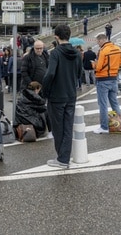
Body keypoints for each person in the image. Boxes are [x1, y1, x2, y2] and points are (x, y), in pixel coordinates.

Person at [42, 24, 82, 168]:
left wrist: (44, 91)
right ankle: (65, 157)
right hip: (71, 95)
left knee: (58, 128)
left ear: (56, 37)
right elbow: (79, 74)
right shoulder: (77, 53)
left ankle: (62, 159)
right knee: (67, 127)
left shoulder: (56, 53)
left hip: (56, 96)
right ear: (69, 36)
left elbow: (50, 73)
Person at [92, 33, 121, 134]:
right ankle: (120, 125)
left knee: (103, 105)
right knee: (114, 103)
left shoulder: (103, 50)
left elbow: (99, 66)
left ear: (101, 40)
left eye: (98, 42)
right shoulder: (118, 49)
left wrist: (94, 65)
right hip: (114, 78)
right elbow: (120, 64)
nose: (98, 44)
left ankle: (104, 127)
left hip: (103, 79)